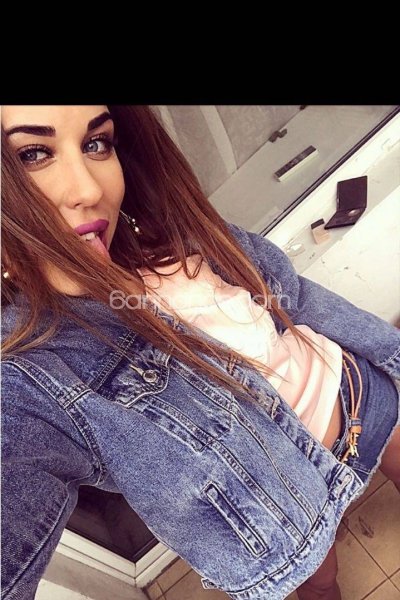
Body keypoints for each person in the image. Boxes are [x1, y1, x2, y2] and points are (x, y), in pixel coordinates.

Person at [1, 105, 399, 600]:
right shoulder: (39, 373)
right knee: (320, 587)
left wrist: (389, 358)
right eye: (32, 154)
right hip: (288, 505)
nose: (88, 189)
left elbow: (296, 298)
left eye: (96, 143)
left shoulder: (171, 237)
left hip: (356, 397)